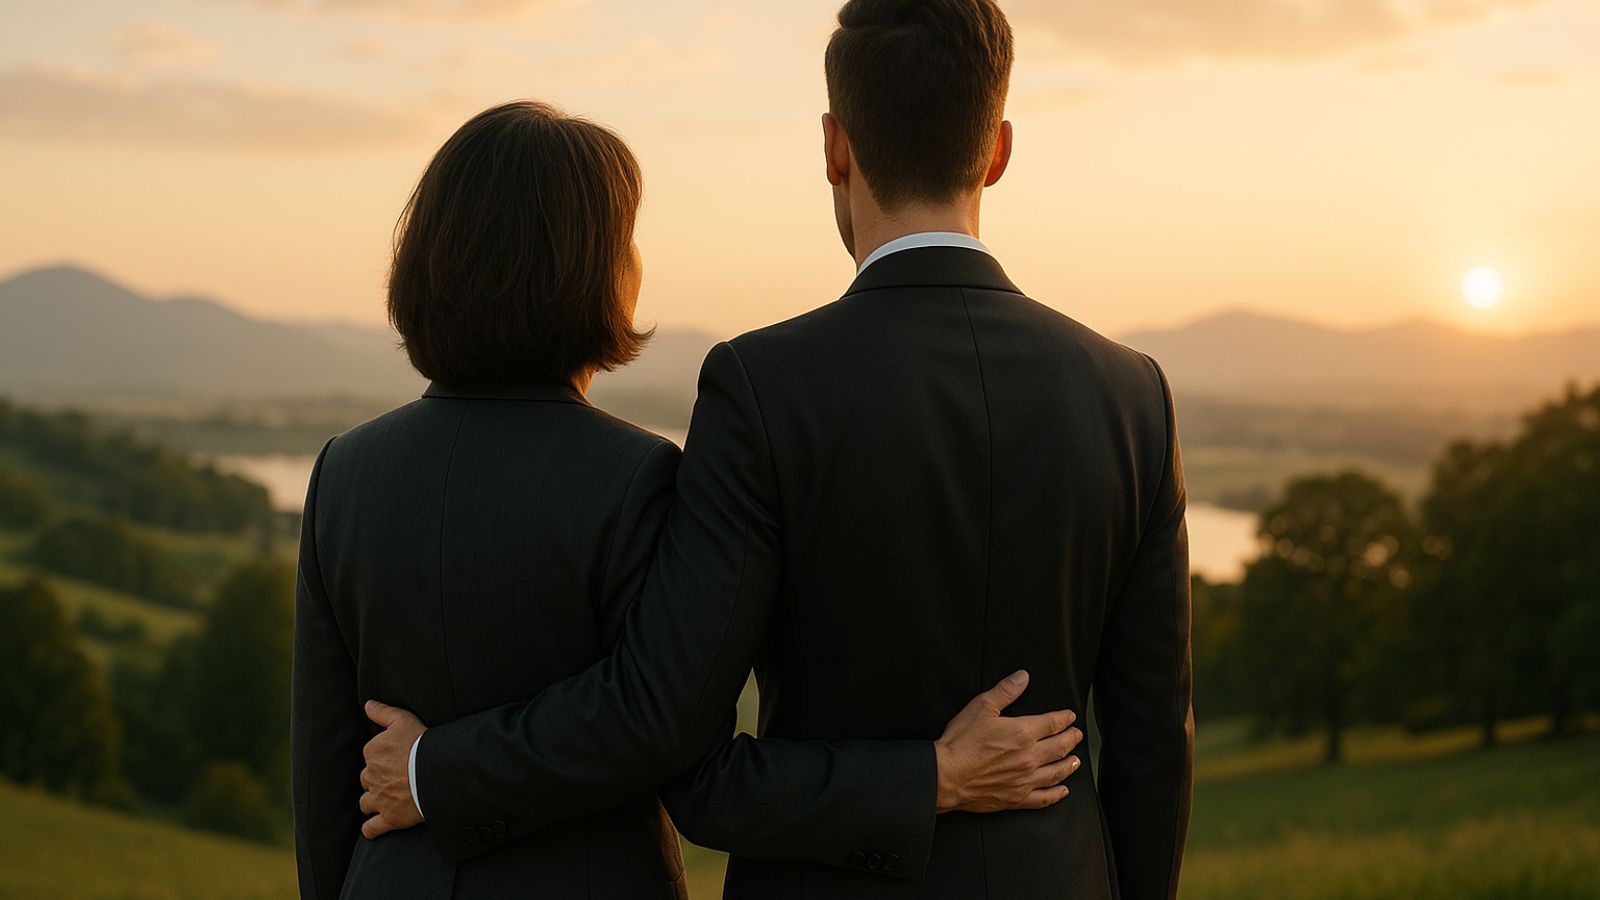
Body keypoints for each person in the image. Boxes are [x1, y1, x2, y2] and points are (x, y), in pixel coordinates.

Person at [362, 0, 1195, 895]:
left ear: (835, 147)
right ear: (996, 150)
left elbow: (693, 767)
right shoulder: (1132, 394)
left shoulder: (760, 390)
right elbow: (1153, 749)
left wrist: (916, 784)